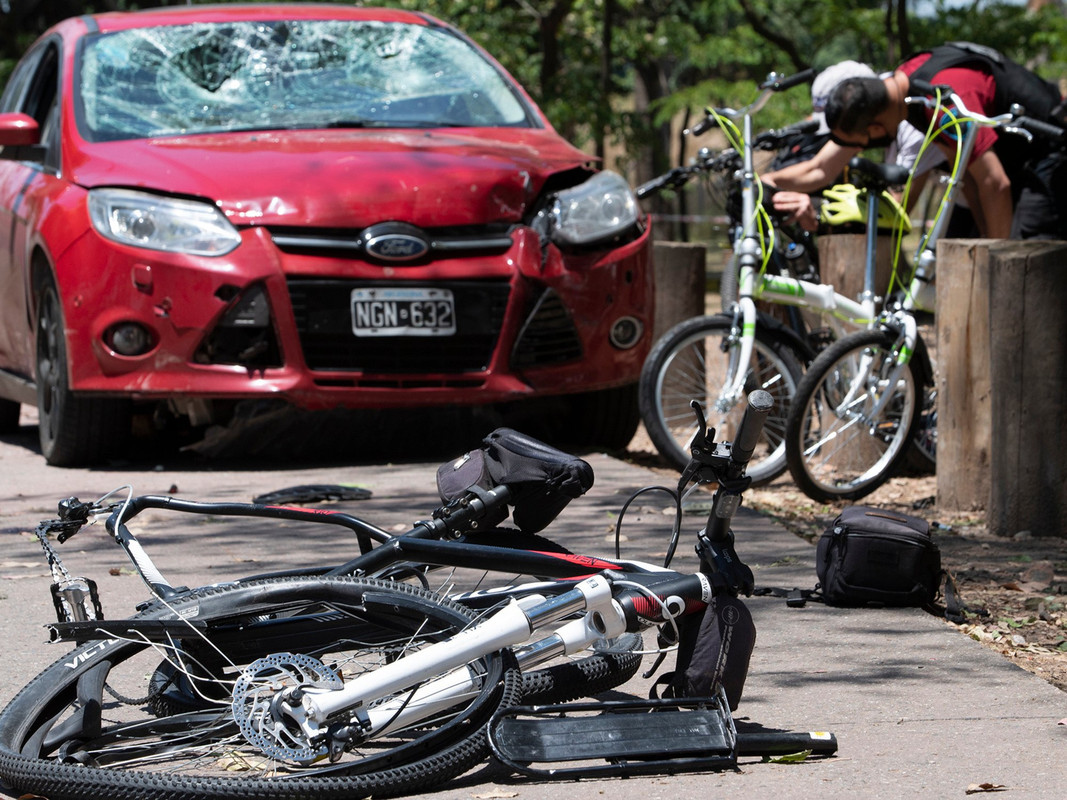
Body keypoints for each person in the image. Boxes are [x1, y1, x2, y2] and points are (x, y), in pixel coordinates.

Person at [824, 42, 1067, 240]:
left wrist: (997, 258)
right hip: (1013, 157)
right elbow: (963, 173)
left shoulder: (942, 106)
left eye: (863, 141)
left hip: (1048, 147)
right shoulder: (908, 86)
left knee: (1030, 244)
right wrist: (984, 235)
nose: (863, 148)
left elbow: (995, 182)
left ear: (875, 127)